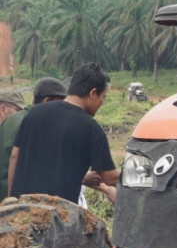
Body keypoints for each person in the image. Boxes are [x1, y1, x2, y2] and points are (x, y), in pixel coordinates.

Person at [8, 63, 119, 204]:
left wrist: (10, 200)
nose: (101, 103)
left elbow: (14, 156)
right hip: (57, 216)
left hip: (22, 211)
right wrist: (138, 174)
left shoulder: (35, 113)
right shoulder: (91, 129)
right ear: (92, 93)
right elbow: (110, 178)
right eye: (102, 97)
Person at [0, 78, 67, 197]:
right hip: (11, 197)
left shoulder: (16, 119)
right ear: (47, 101)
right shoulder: (29, 122)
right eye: (60, 105)